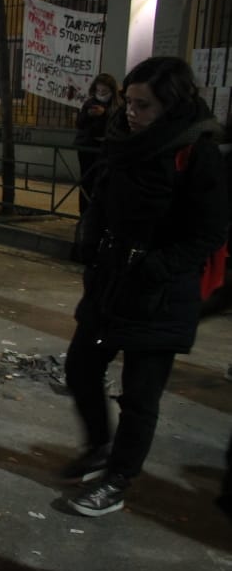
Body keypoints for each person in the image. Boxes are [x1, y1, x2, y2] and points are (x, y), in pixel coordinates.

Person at [62, 56, 227, 517]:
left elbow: (209, 232)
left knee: (139, 395)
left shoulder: (197, 153)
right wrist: (90, 241)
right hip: (111, 281)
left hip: (161, 293)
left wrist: (155, 266)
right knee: (80, 367)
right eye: (128, 102)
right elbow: (103, 197)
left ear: (171, 104)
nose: (131, 112)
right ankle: (99, 446)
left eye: (143, 105)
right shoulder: (122, 140)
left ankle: (118, 479)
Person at [73, 73, 121, 214]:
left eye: (104, 91)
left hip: (107, 147)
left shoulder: (117, 105)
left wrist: (104, 114)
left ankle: (100, 213)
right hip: (88, 147)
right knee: (87, 180)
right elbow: (79, 123)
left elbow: (118, 123)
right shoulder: (90, 103)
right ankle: (84, 213)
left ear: (111, 90)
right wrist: (88, 115)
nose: (101, 94)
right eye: (98, 91)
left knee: (104, 181)